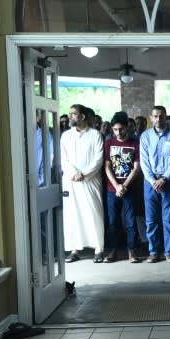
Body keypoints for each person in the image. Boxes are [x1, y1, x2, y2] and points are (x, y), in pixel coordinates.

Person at [61, 104, 105, 263]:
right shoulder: (65, 136)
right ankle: (75, 249)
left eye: (73, 114)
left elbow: (98, 159)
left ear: (82, 117)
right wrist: (74, 173)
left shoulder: (95, 135)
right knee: (73, 215)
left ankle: (98, 248)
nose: (70, 116)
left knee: (93, 214)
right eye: (70, 113)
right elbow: (63, 159)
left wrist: (84, 173)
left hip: (90, 181)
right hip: (71, 181)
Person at [139, 105, 170, 263]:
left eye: (161, 116)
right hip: (150, 182)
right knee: (151, 219)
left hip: (168, 182)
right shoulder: (145, 136)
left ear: (165, 117)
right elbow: (144, 162)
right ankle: (154, 251)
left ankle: (169, 251)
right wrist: (153, 180)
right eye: (155, 116)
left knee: (169, 218)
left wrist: (164, 179)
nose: (158, 119)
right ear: (151, 118)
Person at [103, 111, 141, 263]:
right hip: (112, 189)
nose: (118, 132)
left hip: (129, 189)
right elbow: (107, 167)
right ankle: (112, 251)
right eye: (115, 130)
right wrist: (117, 186)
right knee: (113, 222)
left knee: (131, 222)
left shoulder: (135, 144)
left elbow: (136, 168)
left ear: (127, 128)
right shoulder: (108, 144)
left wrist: (124, 185)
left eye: (121, 129)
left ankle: (132, 251)